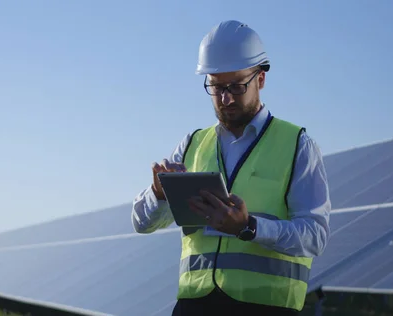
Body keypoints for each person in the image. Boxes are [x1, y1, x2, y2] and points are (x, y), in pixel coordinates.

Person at [131, 20, 331, 316]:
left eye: (236, 86)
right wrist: (158, 194)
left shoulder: (297, 145)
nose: (225, 99)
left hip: (266, 308)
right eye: (215, 87)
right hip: (193, 306)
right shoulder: (193, 144)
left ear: (260, 79)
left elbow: (315, 236)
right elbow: (141, 224)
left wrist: (249, 227)